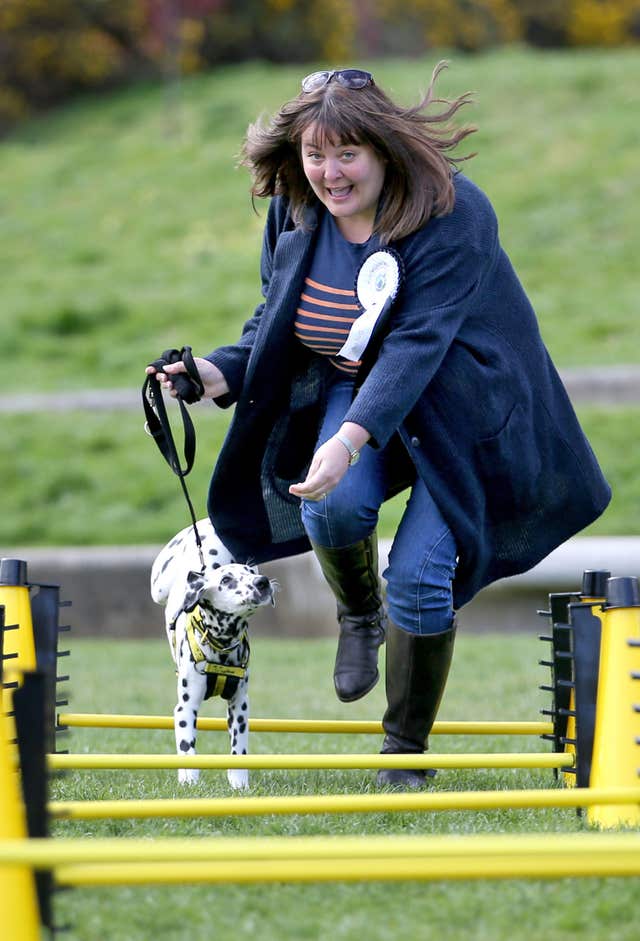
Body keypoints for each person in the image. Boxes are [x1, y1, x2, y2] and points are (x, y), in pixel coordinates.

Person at [147, 63, 611, 789]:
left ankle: (404, 756)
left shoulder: (454, 213)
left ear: (384, 150)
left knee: (421, 576)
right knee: (331, 500)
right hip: (352, 386)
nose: (329, 173)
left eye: (346, 153)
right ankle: (359, 615)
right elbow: (279, 316)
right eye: (314, 153)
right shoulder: (296, 210)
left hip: (466, 410)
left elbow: (420, 345)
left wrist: (348, 438)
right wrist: (216, 372)